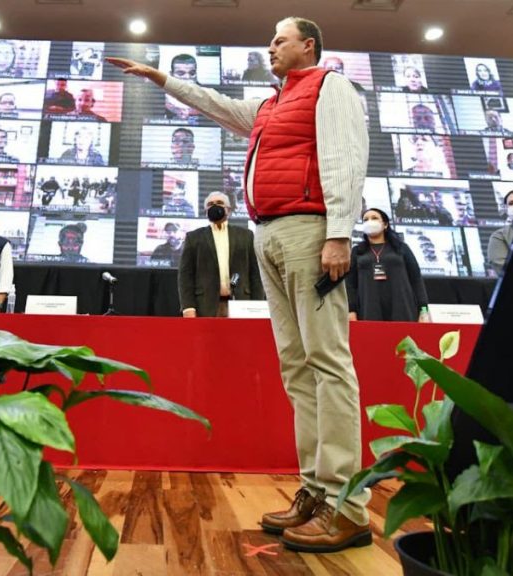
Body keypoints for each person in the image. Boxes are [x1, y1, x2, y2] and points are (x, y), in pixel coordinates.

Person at [109, 16, 372, 552]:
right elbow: (213, 103)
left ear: (309, 45)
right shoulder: (271, 106)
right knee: (298, 368)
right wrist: (163, 79)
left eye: (280, 39)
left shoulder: (331, 86)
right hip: (269, 235)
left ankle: (348, 506)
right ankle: (315, 492)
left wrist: (340, 233)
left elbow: (346, 158)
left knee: (328, 363)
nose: (269, 47)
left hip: (310, 230)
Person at [178, 192, 264, 317]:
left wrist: (258, 306)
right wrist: (188, 308)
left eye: (219, 203)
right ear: (205, 211)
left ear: (228, 210)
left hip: (242, 305)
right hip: (205, 306)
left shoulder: (246, 236)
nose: (215, 206)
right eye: (210, 204)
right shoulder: (194, 238)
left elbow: (256, 274)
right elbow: (185, 277)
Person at [346, 208, 429, 322]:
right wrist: (351, 310)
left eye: (374, 218)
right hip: (369, 309)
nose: (370, 221)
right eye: (365, 220)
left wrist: (423, 309)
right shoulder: (357, 251)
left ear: (385, 224)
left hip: (402, 307)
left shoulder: (401, 248)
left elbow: (416, 279)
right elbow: (350, 285)